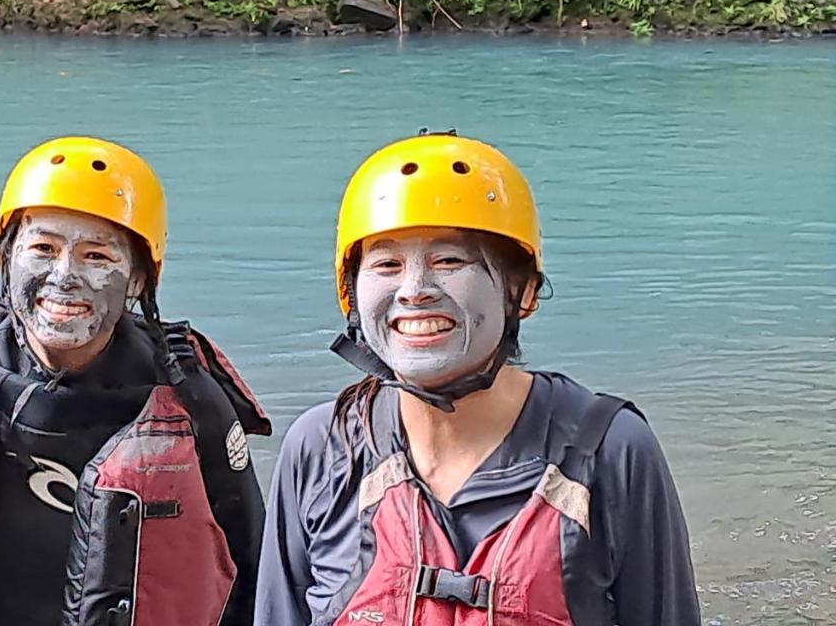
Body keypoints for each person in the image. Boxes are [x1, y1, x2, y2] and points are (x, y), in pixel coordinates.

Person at [0, 136, 271, 626]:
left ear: (140, 280)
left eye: (97, 257)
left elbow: (252, 564)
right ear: (5, 259)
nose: (64, 276)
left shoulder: (191, 405)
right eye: (42, 248)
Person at [255, 132, 700, 625]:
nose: (414, 291)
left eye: (449, 260)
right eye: (386, 264)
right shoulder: (322, 449)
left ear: (523, 291)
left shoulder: (610, 452)